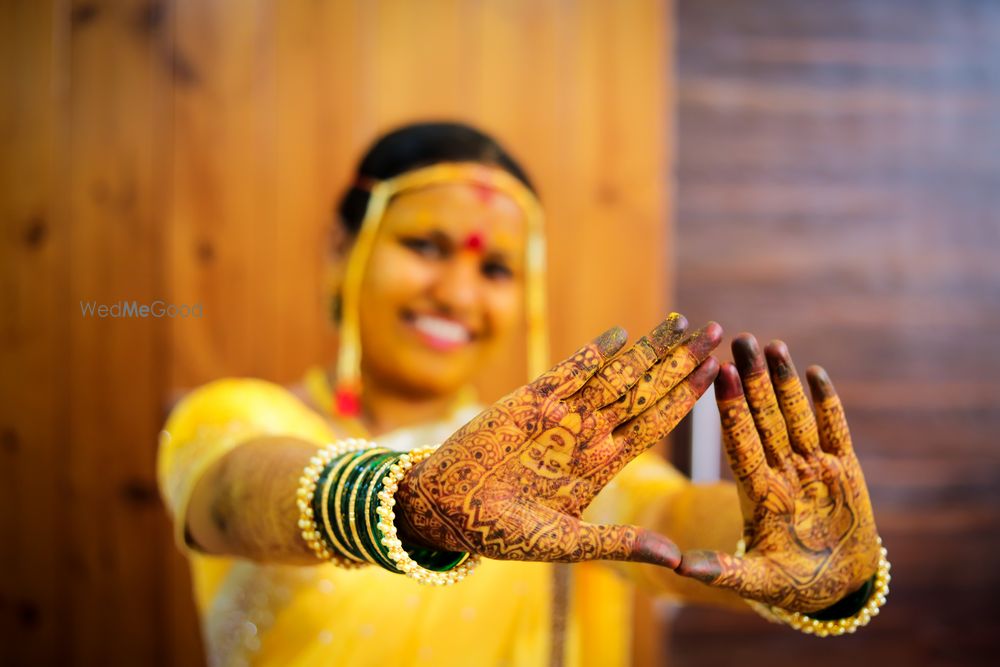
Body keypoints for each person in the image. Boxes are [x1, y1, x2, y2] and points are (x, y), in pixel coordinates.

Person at [157, 123, 888, 667]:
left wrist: (805, 556)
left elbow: (660, 517)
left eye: (497, 269)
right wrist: (407, 503)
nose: (457, 293)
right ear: (340, 251)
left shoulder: (544, 466)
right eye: (425, 246)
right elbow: (232, 495)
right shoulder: (233, 416)